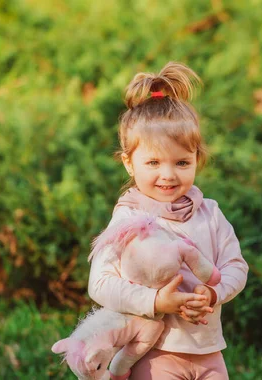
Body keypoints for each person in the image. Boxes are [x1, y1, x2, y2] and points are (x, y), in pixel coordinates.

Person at [88, 61, 249, 380]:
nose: (168, 174)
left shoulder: (210, 213)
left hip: (209, 352)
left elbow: (236, 265)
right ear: (129, 163)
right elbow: (101, 284)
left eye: (181, 162)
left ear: (197, 159)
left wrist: (214, 293)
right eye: (153, 162)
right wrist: (156, 300)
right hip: (153, 352)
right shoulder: (130, 217)